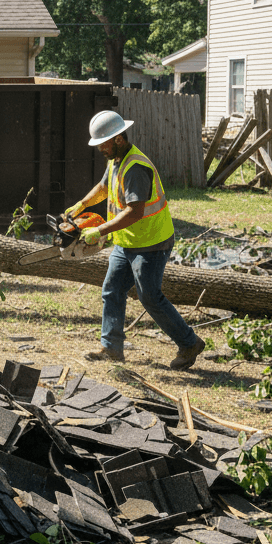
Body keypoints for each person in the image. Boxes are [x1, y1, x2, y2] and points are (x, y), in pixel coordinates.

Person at [66, 110, 205, 369]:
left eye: (103, 143)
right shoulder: (116, 159)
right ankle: (111, 348)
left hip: (151, 242)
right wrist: (81, 205)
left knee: (150, 296)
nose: (100, 149)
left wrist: (100, 230)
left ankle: (189, 343)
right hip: (128, 241)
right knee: (112, 289)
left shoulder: (136, 167)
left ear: (118, 138)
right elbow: (104, 187)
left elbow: (135, 211)